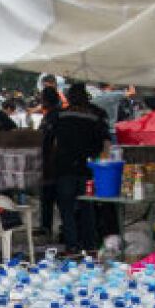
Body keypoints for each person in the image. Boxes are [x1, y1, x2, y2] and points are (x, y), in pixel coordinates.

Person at [42, 83, 109, 253]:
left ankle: (72, 244)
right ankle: (90, 244)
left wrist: (47, 167)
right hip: (86, 169)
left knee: (67, 208)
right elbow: (103, 144)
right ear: (85, 97)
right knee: (87, 207)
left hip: (64, 168)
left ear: (70, 98)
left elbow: (48, 143)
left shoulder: (59, 116)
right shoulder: (95, 117)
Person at [37, 87, 64, 238]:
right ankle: (49, 227)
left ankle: (48, 228)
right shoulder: (53, 115)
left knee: (51, 197)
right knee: (53, 199)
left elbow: (50, 141)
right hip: (53, 163)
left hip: (52, 164)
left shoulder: (53, 117)